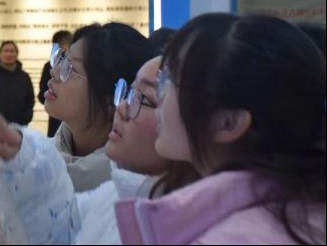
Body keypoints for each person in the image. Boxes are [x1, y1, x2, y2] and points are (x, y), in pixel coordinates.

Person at [117, 13, 325, 245]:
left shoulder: (233, 237)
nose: (160, 95)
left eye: (170, 80)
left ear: (228, 123)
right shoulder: (296, 208)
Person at [0, 57, 197, 244]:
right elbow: (56, 229)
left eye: (142, 99)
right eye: (128, 93)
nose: (122, 107)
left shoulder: (192, 225)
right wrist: (22, 161)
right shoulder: (112, 195)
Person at [45, 23, 156, 191]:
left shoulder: (135, 189)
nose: (54, 72)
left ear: (112, 97)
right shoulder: (36, 159)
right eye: (62, 59)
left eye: (70, 68)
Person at [38, 30, 73, 137]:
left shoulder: (76, 66)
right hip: (56, 120)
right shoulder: (49, 66)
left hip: (71, 120)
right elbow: (42, 96)